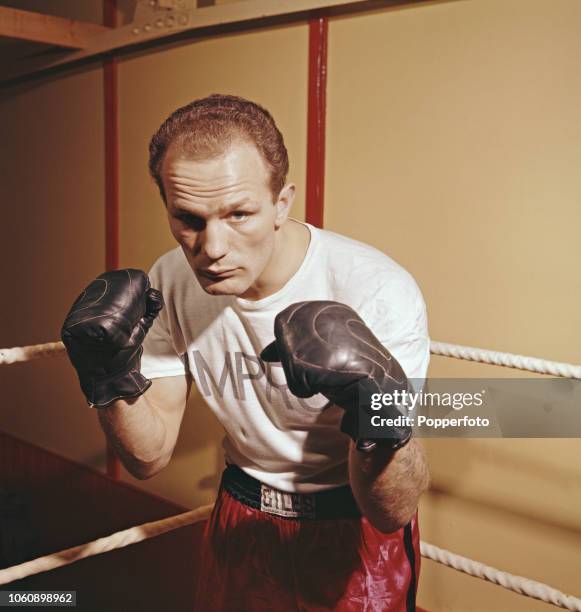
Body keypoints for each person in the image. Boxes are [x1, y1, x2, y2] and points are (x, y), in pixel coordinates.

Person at [61, 94, 431, 611]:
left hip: (352, 518)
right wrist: (107, 377)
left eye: (239, 214)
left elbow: (392, 510)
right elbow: (148, 457)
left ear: (282, 203)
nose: (212, 248)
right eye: (188, 219)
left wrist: (378, 412)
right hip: (242, 508)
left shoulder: (375, 291)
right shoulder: (170, 279)